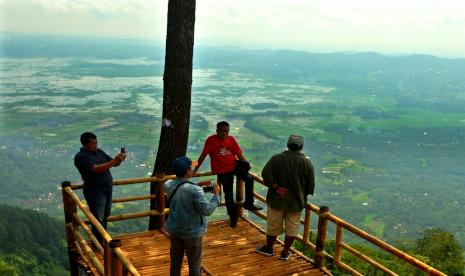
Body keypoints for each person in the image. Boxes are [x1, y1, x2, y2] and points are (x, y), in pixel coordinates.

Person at [256, 135, 315, 260]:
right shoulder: (307, 163)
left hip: (276, 200)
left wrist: (276, 187)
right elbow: (310, 186)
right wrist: (300, 194)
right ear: (301, 147)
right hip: (296, 202)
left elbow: (265, 173)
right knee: (292, 228)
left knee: (273, 225)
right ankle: (285, 251)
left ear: (288, 145)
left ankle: (269, 248)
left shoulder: (276, 159)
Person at [193, 121, 262, 228]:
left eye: (226, 131)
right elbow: (203, 156)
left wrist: (246, 165)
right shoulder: (211, 140)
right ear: (217, 131)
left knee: (249, 178)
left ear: (228, 131)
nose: (224, 133)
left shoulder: (231, 139)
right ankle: (233, 217)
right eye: (221, 131)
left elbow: (239, 154)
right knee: (228, 194)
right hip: (222, 170)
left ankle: (249, 203)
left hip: (234, 166)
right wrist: (195, 169)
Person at [165, 156, 220, 276]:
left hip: (175, 229)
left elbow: (182, 187)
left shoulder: (168, 184)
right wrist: (216, 195)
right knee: (194, 265)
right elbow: (207, 210)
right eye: (191, 168)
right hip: (192, 232)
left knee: (175, 262)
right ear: (187, 171)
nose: (192, 170)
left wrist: (198, 184)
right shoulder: (195, 190)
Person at [74, 132, 126, 243]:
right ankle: (99, 244)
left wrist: (119, 159)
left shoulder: (99, 152)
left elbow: (113, 163)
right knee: (98, 219)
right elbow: (96, 169)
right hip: (95, 191)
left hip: (107, 188)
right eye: (93, 143)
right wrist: (114, 161)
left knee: (105, 216)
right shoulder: (81, 157)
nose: (95, 145)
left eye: (96, 142)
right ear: (84, 144)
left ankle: (102, 241)